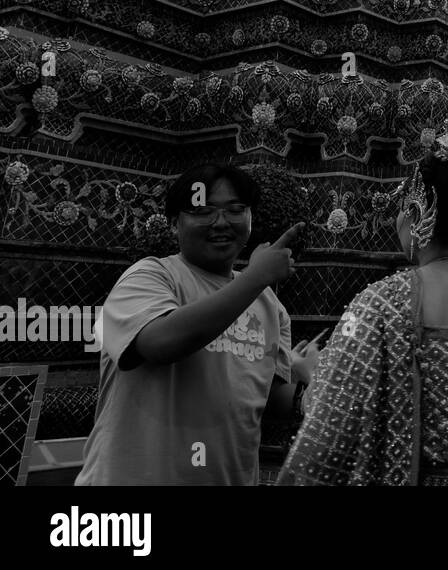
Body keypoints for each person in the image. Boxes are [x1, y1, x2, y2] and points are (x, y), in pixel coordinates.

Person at [278, 60, 448, 485]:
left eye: (403, 207)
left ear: (419, 210)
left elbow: (336, 422)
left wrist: (311, 374)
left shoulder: (383, 300)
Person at [77, 163, 317, 485]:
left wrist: (310, 388)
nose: (220, 222)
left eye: (235, 209)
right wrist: (256, 277)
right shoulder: (150, 277)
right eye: (202, 211)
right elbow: (160, 343)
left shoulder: (271, 307)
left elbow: (267, 398)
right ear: (175, 223)